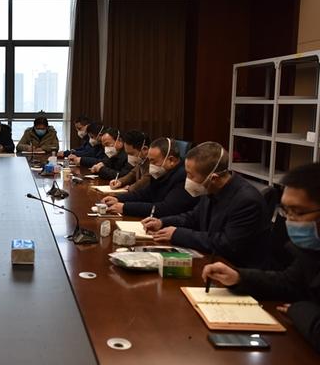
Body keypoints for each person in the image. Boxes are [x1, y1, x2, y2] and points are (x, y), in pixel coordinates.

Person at [201, 163, 320, 352]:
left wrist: (298, 309)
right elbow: (288, 282)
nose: (289, 220)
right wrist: (238, 277)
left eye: (297, 212)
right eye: (286, 211)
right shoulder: (310, 250)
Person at [142, 142, 270, 268]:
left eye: (190, 175)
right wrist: (162, 222)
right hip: (211, 260)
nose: (187, 180)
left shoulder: (247, 201)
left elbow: (226, 244)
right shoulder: (210, 187)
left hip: (235, 270)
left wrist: (177, 234)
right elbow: (193, 217)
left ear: (213, 178)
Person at [102, 137, 199, 217]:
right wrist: (118, 198)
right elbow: (145, 193)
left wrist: (125, 207)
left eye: (153, 161)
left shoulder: (183, 176)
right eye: (149, 161)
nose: (150, 166)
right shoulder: (162, 172)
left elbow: (165, 209)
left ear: (171, 160)